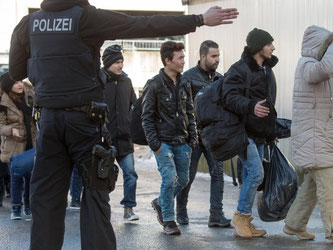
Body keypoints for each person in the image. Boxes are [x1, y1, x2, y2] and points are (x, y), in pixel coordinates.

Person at [8, 0, 239, 248]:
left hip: (49, 122)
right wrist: (198, 19)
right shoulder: (86, 17)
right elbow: (139, 24)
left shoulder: (29, 24)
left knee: (45, 202)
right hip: (85, 122)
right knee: (95, 194)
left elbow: (16, 70)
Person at [222, 28, 278, 238]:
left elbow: (269, 104)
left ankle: (246, 222)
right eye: (269, 43)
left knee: (250, 176)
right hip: (241, 133)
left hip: (260, 132)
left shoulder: (266, 70)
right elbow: (228, 97)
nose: (273, 47)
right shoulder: (240, 69)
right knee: (256, 174)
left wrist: (271, 130)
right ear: (258, 46)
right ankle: (241, 216)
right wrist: (250, 105)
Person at [283, 25, 333, 245]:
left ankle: (294, 224)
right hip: (315, 139)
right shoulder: (307, 65)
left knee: (312, 187)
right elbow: (325, 68)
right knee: (329, 188)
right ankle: (332, 231)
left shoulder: (315, 66)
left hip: (318, 137)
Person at [142, 41, 197, 235]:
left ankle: (160, 202)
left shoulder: (184, 82)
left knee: (183, 179)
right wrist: (155, 145)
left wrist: (192, 139)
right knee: (170, 178)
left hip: (182, 142)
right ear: (167, 60)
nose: (183, 61)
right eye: (180, 58)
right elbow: (146, 117)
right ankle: (168, 220)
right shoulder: (155, 84)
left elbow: (190, 111)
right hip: (163, 143)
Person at [176, 40, 230, 227]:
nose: (217, 60)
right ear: (203, 57)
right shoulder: (188, 78)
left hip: (214, 137)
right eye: (213, 56)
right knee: (188, 175)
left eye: (218, 56)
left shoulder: (220, 79)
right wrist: (188, 134)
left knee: (217, 174)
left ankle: (216, 215)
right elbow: (181, 108)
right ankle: (181, 210)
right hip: (194, 136)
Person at [101, 45, 139, 222]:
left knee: (130, 173)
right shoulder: (98, 82)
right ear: (108, 63)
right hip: (104, 140)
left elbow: (135, 106)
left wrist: (132, 125)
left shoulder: (127, 81)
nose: (120, 65)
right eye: (117, 62)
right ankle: (102, 210)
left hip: (125, 138)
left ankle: (129, 209)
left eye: (121, 61)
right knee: (102, 178)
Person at [0, 73, 36, 220]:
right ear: (9, 86)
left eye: (20, 81)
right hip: (13, 144)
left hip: (31, 141)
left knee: (31, 177)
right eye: (15, 83)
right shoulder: (3, 103)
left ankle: (28, 205)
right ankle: (16, 208)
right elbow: (1, 126)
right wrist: (10, 130)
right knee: (16, 177)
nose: (20, 84)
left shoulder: (30, 96)